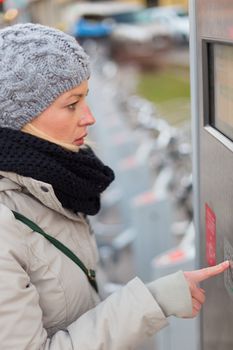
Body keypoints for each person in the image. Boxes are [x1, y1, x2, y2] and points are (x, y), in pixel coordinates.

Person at [0, 22, 229, 350]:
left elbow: (80, 308)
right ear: (21, 116)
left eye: (86, 99)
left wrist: (158, 295)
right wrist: (153, 301)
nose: (89, 117)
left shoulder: (51, 185)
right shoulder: (8, 221)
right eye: (72, 104)